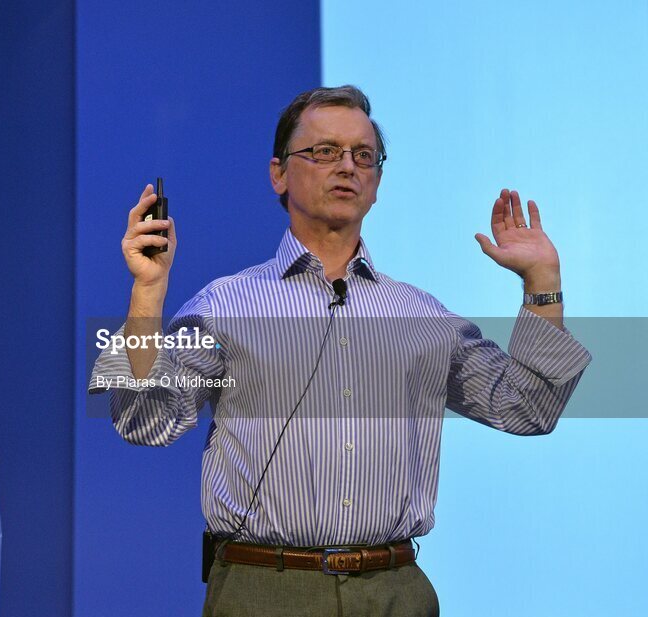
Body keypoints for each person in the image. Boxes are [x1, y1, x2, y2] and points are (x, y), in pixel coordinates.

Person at [88, 85, 591, 616]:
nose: (347, 166)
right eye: (324, 151)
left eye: (363, 155)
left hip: (395, 589)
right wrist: (148, 291)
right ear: (278, 173)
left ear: (377, 182)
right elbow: (146, 421)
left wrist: (542, 281)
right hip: (265, 587)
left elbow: (527, 408)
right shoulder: (224, 306)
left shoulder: (422, 317)